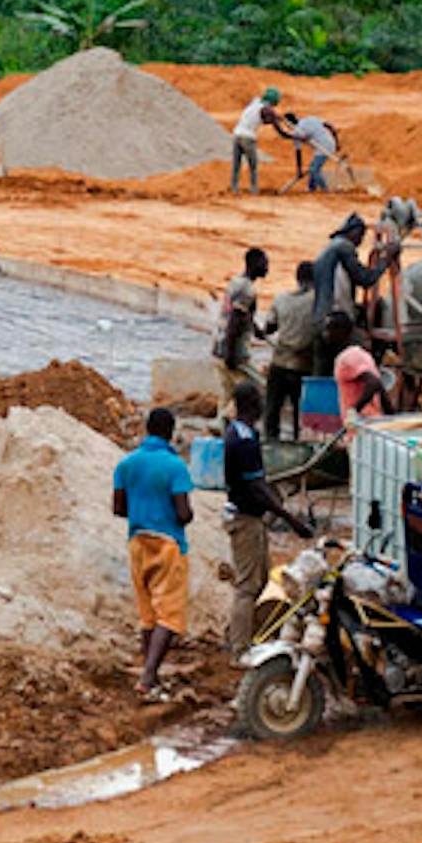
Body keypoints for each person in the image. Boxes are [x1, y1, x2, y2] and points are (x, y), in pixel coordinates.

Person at [221, 379, 317, 654]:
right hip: (246, 518)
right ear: (253, 404)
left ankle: (237, 634)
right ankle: (239, 647)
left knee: (259, 579)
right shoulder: (245, 442)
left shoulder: (239, 434)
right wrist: (291, 519)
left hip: (249, 515)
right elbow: (258, 488)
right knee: (248, 585)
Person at [112, 405, 198, 699]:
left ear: (147, 429)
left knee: (148, 614)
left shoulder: (126, 464)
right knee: (170, 615)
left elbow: (118, 508)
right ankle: (148, 677)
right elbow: (183, 512)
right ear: (170, 433)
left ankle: (150, 674)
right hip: (167, 543)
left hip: (137, 540)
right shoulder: (175, 467)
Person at [263, 262, 319, 439]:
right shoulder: (317, 301)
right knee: (300, 413)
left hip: (279, 361)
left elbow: (269, 327)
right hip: (303, 365)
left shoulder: (281, 299)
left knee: (272, 408)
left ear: (297, 278)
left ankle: (270, 444)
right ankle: (298, 446)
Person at [307, 214, 386, 340]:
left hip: (319, 319)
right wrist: (385, 261)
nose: (361, 240)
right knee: (363, 344)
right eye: (360, 235)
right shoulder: (344, 247)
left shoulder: (328, 249)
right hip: (336, 322)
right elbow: (365, 279)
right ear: (352, 232)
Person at [214, 246, 269, 391]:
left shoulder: (236, 282)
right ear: (255, 264)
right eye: (264, 264)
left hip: (219, 347)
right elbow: (235, 321)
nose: (267, 268)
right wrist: (230, 356)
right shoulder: (247, 290)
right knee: (254, 390)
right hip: (235, 354)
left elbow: (243, 314)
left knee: (228, 395)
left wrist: (256, 330)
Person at [324, 313, 388, 422]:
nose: (325, 334)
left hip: (362, 424)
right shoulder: (361, 353)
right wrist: (390, 415)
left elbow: (374, 383)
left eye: (328, 329)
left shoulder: (348, 358)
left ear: (341, 331)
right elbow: (379, 386)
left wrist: (353, 411)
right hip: (372, 422)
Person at [229, 86, 277, 193]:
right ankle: (254, 189)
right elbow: (269, 119)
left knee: (236, 164)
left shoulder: (254, 103)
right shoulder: (265, 109)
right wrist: (275, 119)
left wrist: (274, 117)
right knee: (253, 165)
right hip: (248, 137)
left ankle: (234, 187)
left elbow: (263, 119)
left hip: (236, 134)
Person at [285, 111, 343, 193]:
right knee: (312, 167)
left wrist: (299, 170)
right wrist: (336, 142)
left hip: (323, 147)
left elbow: (298, 153)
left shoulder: (296, 132)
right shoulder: (310, 119)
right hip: (330, 142)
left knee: (314, 170)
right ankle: (311, 188)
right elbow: (330, 126)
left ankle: (325, 189)